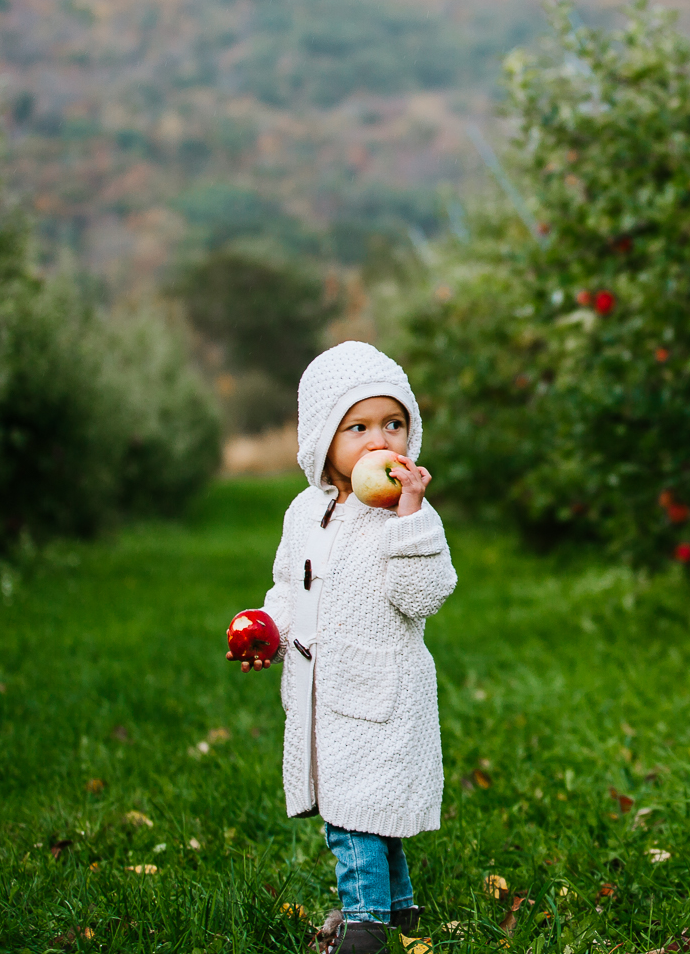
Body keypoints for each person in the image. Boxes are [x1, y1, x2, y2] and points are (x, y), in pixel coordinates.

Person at [228, 341, 457, 953]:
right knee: (370, 814)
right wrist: (267, 632)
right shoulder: (304, 513)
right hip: (321, 692)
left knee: (352, 816)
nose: (380, 440)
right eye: (358, 427)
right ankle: (400, 911)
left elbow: (424, 595)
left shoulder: (408, 515)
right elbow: (287, 588)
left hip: (383, 692)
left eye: (394, 424)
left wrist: (410, 516)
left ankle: (363, 928)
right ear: (322, 439)